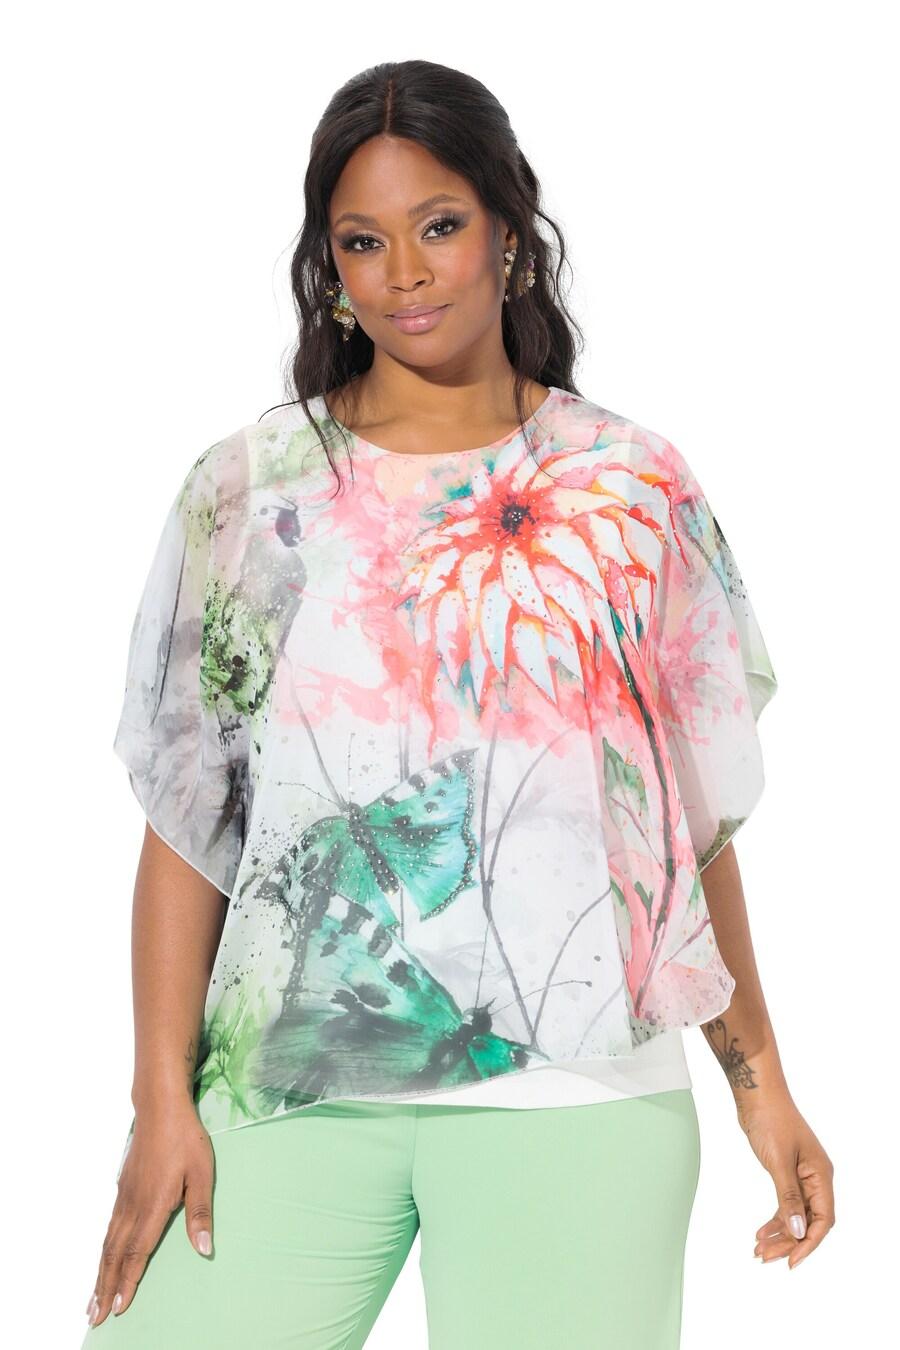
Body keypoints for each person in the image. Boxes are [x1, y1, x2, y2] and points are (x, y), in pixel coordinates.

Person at [81, 58, 834, 1350]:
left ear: (508, 233)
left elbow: (683, 831)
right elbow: (187, 825)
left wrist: (759, 1084)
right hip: (285, 1092)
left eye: (438, 225)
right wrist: (161, 1101)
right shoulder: (251, 489)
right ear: (329, 266)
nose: (405, 273)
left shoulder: (628, 486)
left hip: (581, 1101)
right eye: (362, 241)